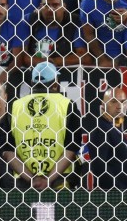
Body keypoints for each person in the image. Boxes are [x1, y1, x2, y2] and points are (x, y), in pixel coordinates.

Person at [8, 62, 82, 190]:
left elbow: (8, 152)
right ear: (55, 83)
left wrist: (32, 179)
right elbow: (71, 148)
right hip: (60, 182)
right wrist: (48, 180)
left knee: (25, 211)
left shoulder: (15, 107)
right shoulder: (68, 105)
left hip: (23, 184)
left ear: (32, 83)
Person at [84, 86, 127, 189]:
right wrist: (116, 191)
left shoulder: (113, 128)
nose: (119, 106)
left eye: (123, 102)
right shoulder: (101, 129)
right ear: (103, 105)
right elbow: (99, 166)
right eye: (114, 101)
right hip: (111, 196)